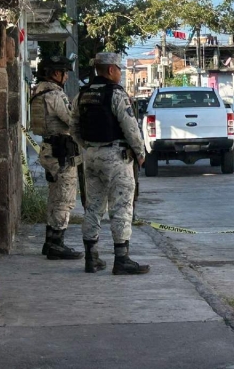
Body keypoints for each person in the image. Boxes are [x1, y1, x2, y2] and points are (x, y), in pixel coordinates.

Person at [70, 53, 149, 275]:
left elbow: (73, 125)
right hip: (116, 156)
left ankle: (91, 258)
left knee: (93, 206)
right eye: (119, 69)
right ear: (111, 70)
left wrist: (87, 146)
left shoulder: (82, 95)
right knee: (121, 206)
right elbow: (130, 127)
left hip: (91, 156)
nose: (120, 73)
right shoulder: (116, 94)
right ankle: (122, 260)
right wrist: (140, 153)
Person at [29, 56, 83, 260]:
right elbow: (70, 120)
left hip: (49, 149)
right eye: (63, 72)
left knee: (54, 197)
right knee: (64, 199)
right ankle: (57, 244)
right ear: (54, 73)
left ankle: (50, 241)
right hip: (60, 152)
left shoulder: (38, 91)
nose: (66, 76)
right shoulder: (53, 94)